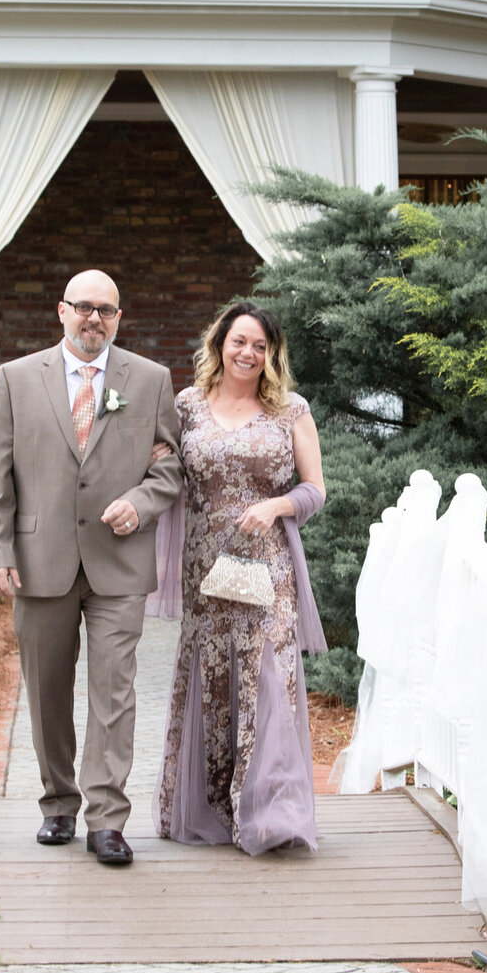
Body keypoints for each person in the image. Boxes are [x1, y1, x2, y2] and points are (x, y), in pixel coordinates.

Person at [0, 269, 183, 866]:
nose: (95, 319)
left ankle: (107, 819)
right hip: (41, 560)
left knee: (114, 692)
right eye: (85, 308)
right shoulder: (16, 379)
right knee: (46, 692)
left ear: (119, 319)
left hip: (119, 563)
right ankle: (58, 803)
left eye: (108, 311)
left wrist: (139, 503)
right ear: (61, 311)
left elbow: (169, 468)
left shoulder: (149, 380)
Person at [153, 300, 327, 854]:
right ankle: (212, 805)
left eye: (260, 345)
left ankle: (270, 812)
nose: (248, 353)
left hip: (267, 567)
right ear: (219, 345)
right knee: (213, 677)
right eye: (239, 342)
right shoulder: (186, 406)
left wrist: (275, 506)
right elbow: (162, 472)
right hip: (206, 568)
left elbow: (315, 489)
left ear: (271, 354)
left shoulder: (290, 410)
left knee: (268, 676)